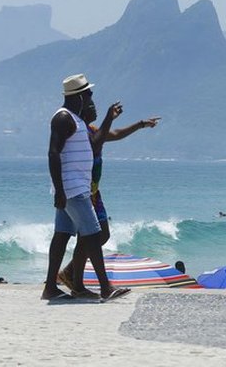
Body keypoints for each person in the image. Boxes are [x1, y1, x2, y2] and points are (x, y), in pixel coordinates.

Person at [57, 83, 159, 296]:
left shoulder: (93, 129)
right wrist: (108, 117)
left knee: (100, 235)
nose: (94, 107)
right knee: (92, 235)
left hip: (94, 191)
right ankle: (77, 280)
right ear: (83, 109)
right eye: (91, 105)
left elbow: (115, 134)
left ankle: (70, 274)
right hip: (83, 190)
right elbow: (96, 143)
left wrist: (140, 124)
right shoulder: (81, 131)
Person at [41, 73, 129, 302]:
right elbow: (53, 153)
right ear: (78, 96)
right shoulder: (62, 118)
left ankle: (51, 287)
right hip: (72, 189)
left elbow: (95, 142)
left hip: (74, 187)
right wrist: (59, 190)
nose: (90, 97)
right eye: (88, 94)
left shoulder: (76, 121)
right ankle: (106, 287)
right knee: (93, 234)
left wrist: (109, 118)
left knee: (62, 235)